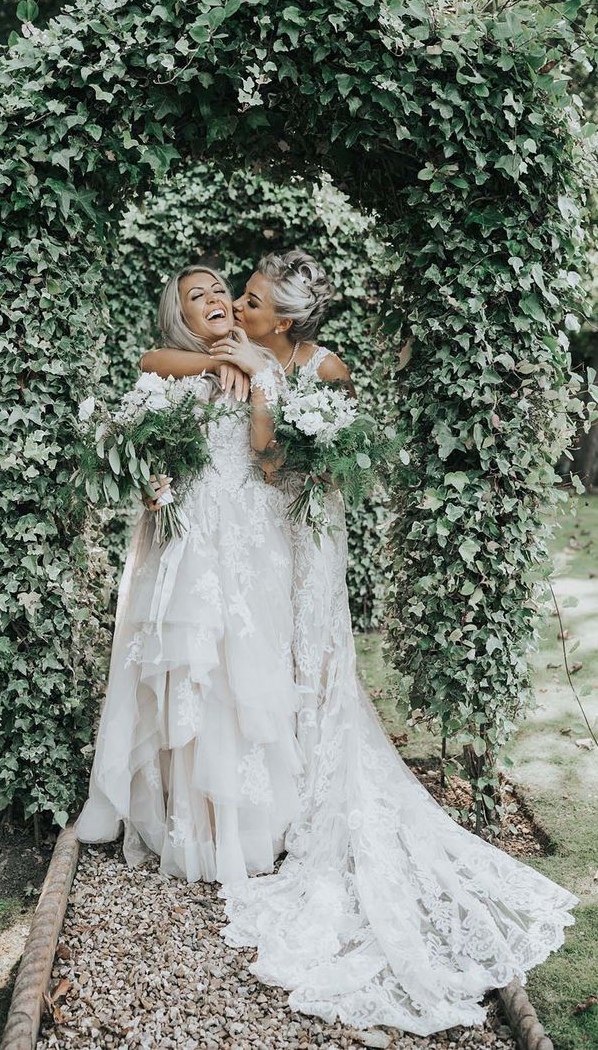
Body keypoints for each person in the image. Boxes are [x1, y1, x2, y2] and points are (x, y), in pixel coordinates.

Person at [142, 250, 579, 1037]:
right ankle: (275, 795)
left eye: (247, 301)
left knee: (310, 660)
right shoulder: (224, 356)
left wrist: (265, 384)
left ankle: (312, 788)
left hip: (304, 526)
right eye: (231, 299)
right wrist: (234, 366)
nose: (235, 307)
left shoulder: (321, 365)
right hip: (261, 531)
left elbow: (290, 462)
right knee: (270, 664)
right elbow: (163, 362)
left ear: (282, 320)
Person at [73, 266, 303, 885]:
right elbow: (149, 360)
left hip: (247, 538)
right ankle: (187, 820)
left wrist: (255, 374)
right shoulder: (170, 369)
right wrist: (209, 366)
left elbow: (270, 457)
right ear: (182, 316)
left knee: (240, 672)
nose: (215, 300)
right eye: (195, 296)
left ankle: (244, 824)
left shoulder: (262, 366)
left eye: (220, 290)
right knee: (188, 669)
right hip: (190, 538)